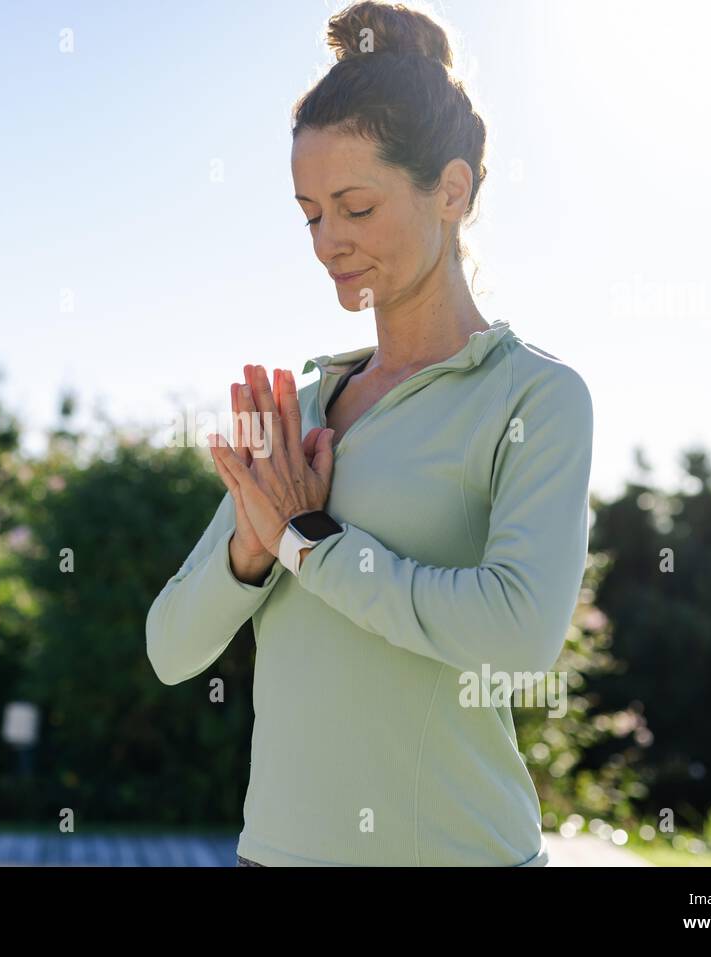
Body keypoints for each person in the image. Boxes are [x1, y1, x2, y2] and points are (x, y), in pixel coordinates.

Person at [145, 0, 593, 866]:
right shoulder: (305, 408)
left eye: (355, 206)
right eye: (311, 213)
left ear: (451, 190)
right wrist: (250, 545)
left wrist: (309, 542)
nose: (328, 243)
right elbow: (170, 649)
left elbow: (518, 639)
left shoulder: (537, 396)